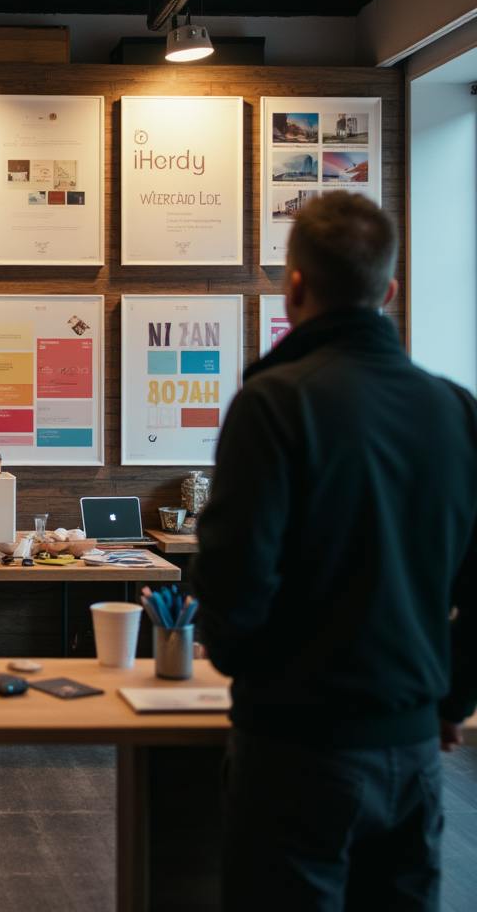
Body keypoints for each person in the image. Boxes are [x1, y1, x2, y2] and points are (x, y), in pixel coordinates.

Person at [191, 192, 477, 912]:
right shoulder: (455, 409)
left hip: (296, 746)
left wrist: (244, 667)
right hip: (414, 748)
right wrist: (453, 698)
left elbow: (234, 580)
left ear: (293, 286)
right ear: (390, 292)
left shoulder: (275, 402)